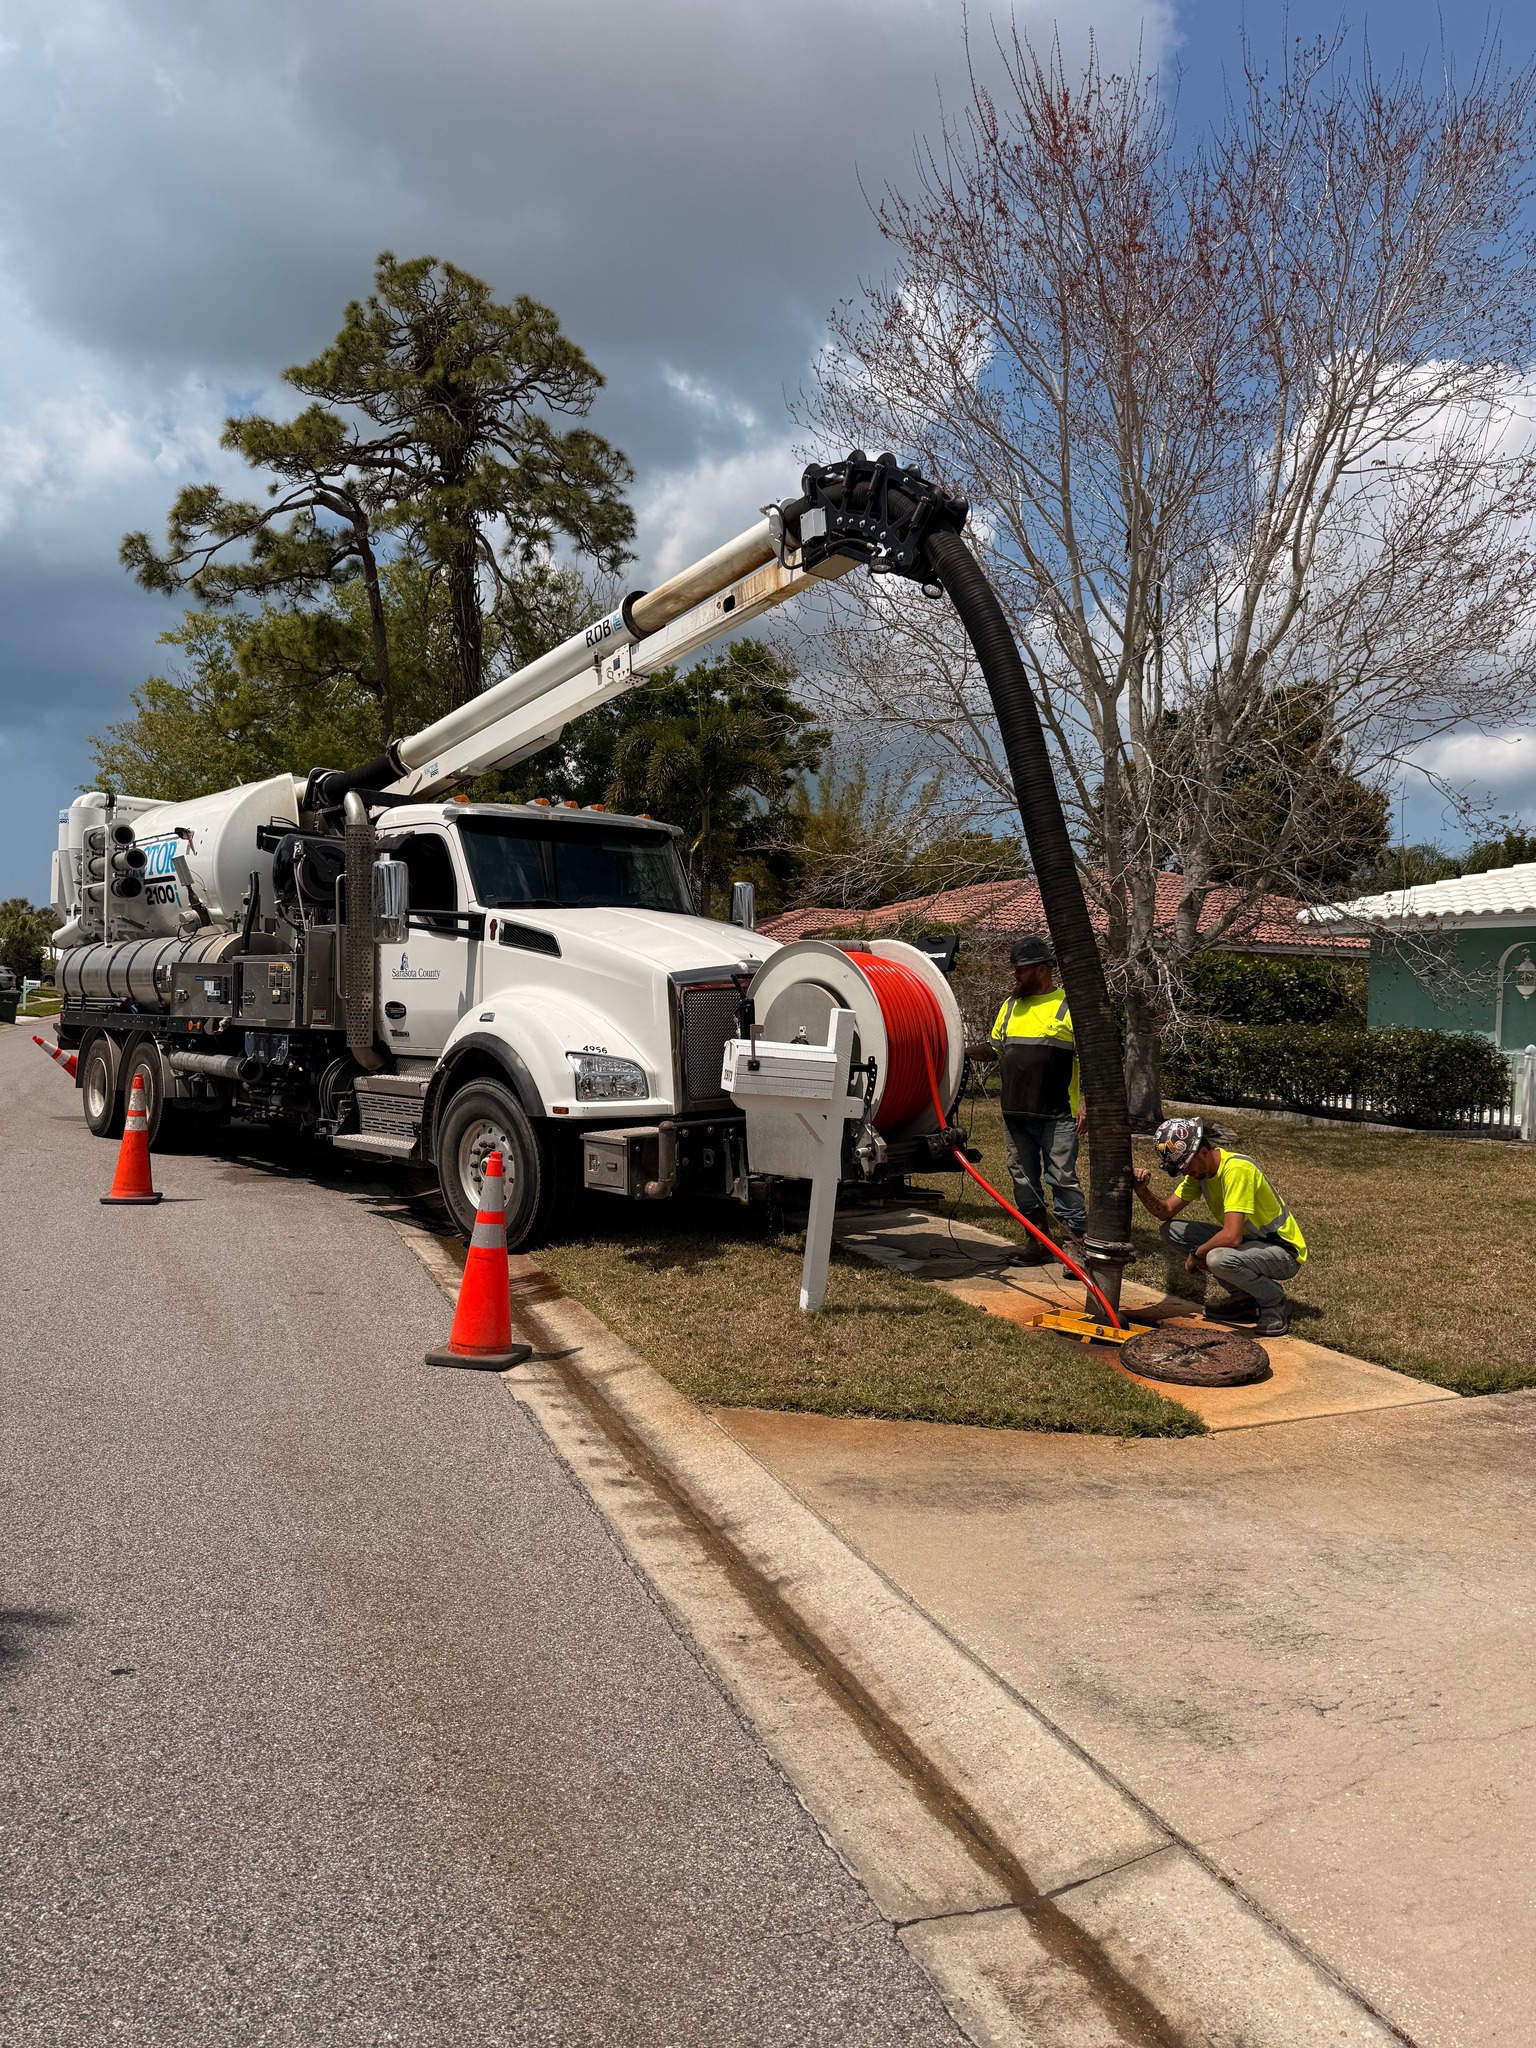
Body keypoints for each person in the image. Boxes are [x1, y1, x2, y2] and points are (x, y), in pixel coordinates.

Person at [1131, 1116, 1307, 1337]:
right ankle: (1243, 1300)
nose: (1185, 1173)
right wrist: (1141, 1189)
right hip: (1251, 1243)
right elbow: (1165, 1212)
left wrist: (1196, 1254)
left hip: (1284, 1252)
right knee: (1172, 1231)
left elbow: (1231, 1237)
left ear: (1203, 1153)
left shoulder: (1237, 1170)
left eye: (1186, 1166)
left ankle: (1274, 1302)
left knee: (1217, 1257)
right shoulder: (1201, 1173)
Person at [987, 935, 1087, 1265]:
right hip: (1015, 1113)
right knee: (1023, 1180)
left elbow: (1093, 1060)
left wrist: (1086, 1102)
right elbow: (996, 1047)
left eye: (1022, 970)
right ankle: (1038, 1242)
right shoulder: (1011, 1005)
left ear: (1042, 970)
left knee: (1062, 1178)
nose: (1016, 975)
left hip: (1057, 1114)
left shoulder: (1069, 1005)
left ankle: (1074, 1246)